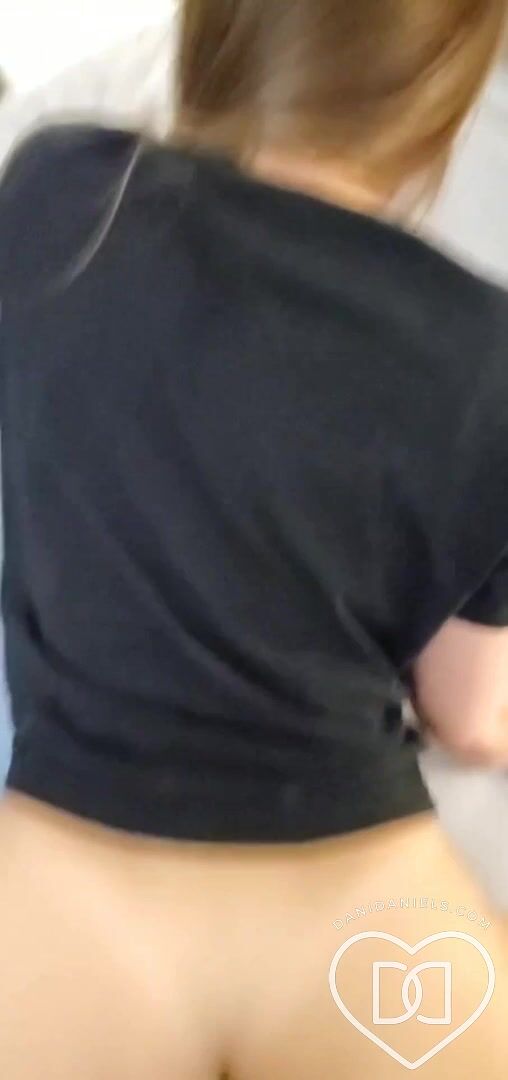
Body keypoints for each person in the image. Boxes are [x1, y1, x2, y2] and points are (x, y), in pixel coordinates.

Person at [0, 1, 507, 1076]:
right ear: (442, 102)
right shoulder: (486, 352)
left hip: (71, 880)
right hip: (356, 903)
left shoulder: (54, 196)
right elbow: (473, 715)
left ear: (210, 30)